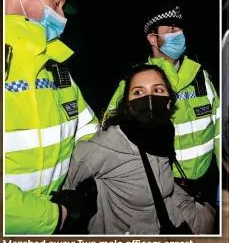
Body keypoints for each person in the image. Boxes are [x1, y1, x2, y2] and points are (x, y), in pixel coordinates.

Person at [63, 64, 216, 235]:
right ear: (128, 104)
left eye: (157, 90)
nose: (149, 98)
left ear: (169, 101)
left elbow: (163, 189)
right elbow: (69, 182)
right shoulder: (107, 146)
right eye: (138, 92)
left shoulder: (164, 132)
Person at [5, 0, 98, 234]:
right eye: (56, 3)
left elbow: (89, 129)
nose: (61, 17)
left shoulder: (58, 70)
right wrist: (57, 216)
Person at [105, 3, 220, 209]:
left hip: (206, 183)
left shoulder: (200, 76)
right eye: (171, 30)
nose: (179, 34)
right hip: (161, 188)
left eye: (180, 29)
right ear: (152, 38)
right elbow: (108, 130)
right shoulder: (135, 83)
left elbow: (220, 127)